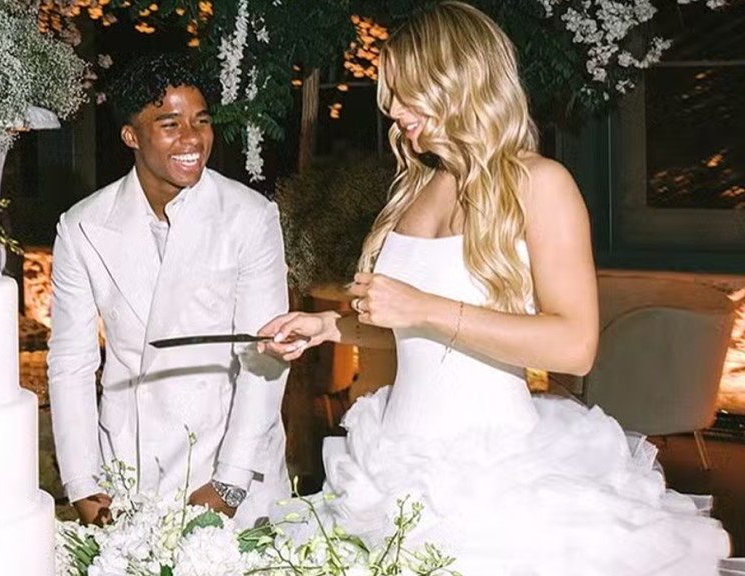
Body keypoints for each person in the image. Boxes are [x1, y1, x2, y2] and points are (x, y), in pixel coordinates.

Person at [258, 2, 732, 574]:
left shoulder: (540, 184)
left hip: (495, 481)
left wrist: (425, 306)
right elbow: (415, 330)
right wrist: (329, 326)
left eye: (409, 93)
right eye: (392, 96)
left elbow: (575, 346)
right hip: (390, 467)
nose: (396, 111)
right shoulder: (412, 191)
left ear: (461, 81)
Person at [48, 53, 290, 529]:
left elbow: (265, 355)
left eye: (201, 121)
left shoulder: (249, 217)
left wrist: (230, 481)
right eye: (170, 124)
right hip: (130, 463)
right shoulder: (82, 227)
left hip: (227, 457)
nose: (193, 138)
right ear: (131, 136)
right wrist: (83, 485)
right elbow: (71, 362)